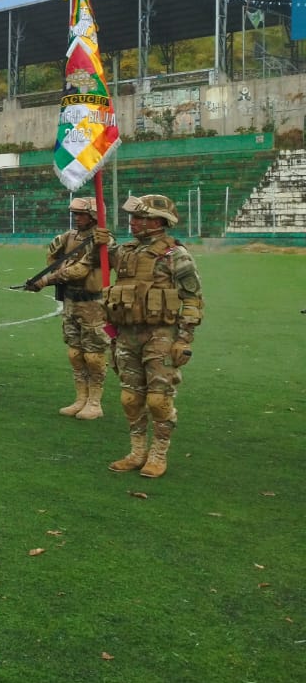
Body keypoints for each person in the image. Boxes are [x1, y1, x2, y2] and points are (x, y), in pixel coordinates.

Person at [97, 194, 203, 478]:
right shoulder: (126, 251)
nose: (132, 223)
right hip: (126, 334)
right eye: (133, 218)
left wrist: (184, 338)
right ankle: (136, 452)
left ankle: (158, 453)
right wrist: (102, 243)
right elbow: (105, 260)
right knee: (130, 399)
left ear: (158, 221)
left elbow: (192, 299)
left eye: (139, 218)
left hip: (161, 336)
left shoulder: (176, 255)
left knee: (158, 400)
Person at [24, 197, 113, 420]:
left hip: (93, 303)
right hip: (71, 301)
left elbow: (80, 271)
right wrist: (55, 271)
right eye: (75, 214)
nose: (77, 218)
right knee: (75, 352)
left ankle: (94, 401)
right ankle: (80, 398)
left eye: (82, 214)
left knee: (93, 354)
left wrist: (45, 281)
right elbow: (52, 257)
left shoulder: (103, 241)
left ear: (94, 216)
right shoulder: (69, 237)